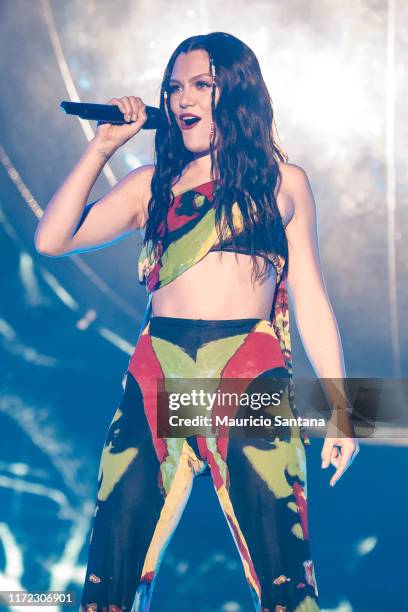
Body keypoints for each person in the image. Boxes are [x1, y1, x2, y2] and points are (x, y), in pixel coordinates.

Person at [35, 32, 359, 612]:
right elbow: (52, 238)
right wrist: (102, 149)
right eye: (175, 87)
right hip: (158, 378)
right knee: (109, 577)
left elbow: (310, 296)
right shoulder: (149, 186)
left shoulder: (283, 183)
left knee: (285, 577)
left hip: (246, 379)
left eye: (202, 85)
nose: (183, 98)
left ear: (235, 94)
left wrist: (341, 409)